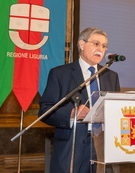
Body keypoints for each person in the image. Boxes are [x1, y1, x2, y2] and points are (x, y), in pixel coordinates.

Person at [38, 27, 120, 173]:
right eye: (96, 43)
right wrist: (71, 113)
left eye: (104, 46)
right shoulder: (60, 74)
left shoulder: (111, 76)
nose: (100, 49)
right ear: (82, 44)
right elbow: (45, 111)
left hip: (102, 147)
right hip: (71, 147)